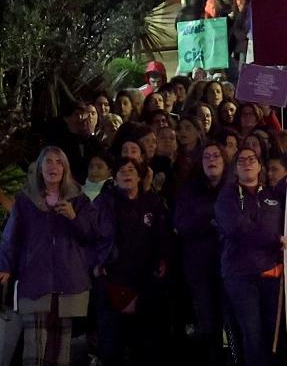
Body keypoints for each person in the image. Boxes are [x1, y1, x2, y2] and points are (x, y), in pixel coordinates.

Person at [0, 147, 100, 366]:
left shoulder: (79, 200)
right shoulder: (26, 200)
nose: (53, 166)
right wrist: (5, 266)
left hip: (68, 281)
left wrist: (74, 218)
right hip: (35, 280)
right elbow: (11, 237)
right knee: (35, 348)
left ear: (65, 168)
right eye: (48, 162)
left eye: (58, 162)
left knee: (60, 347)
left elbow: (93, 235)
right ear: (40, 168)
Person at [93, 157, 172, 366]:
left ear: (139, 176)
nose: (127, 174)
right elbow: (90, 235)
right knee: (112, 347)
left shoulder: (153, 203)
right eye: (122, 170)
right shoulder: (104, 203)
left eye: (131, 170)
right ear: (115, 177)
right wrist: (97, 263)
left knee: (147, 346)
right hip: (112, 278)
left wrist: (163, 259)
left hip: (145, 282)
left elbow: (163, 236)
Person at [215, 147, 284, 366]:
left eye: (252, 159)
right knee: (252, 333)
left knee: (271, 333)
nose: (247, 163)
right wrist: (275, 238)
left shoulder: (272, 195)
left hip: (270, 274)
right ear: (235, 168)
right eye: (241, 160)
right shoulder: (227, 195)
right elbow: (237, 228)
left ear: (260, 165)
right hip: (241, 275)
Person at [173, 142, 228, 364]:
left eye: (216, 156)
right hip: (200, 268)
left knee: (230, 321)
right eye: (207, 156)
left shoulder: (233, 189)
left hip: (228, 267)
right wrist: (212, 219)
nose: (211, 160)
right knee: (207, 323)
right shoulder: (190, 189)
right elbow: (181, 223)